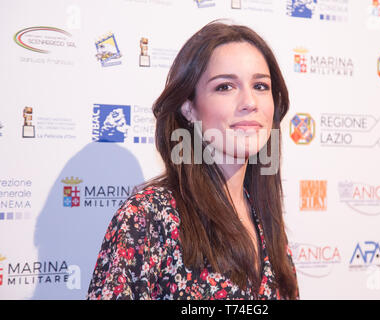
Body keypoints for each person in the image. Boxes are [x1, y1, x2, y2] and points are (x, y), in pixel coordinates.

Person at [87, 20, 299, 300]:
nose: (250, 102)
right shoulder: (148, 217)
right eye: (225, 87)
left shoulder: (265, 217)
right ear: (189, 108)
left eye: (260, 85)